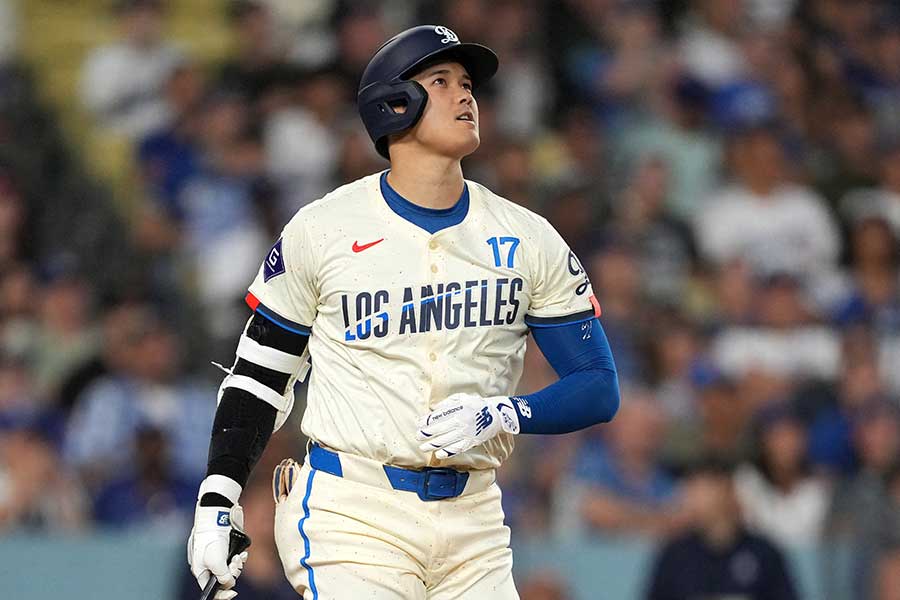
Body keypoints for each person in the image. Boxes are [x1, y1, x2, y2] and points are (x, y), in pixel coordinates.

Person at [186, 24, 620, 599]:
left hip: (476, 521)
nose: (465, 94)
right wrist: (218, 497)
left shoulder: (527, 236)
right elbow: (260, 376)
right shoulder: (324, 228)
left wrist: (506, 413)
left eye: (467, 83)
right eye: (441, 81)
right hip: (354, 512)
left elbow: (598, 385)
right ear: (394, 104)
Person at [645, 458, 799, 600]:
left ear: (726, 490)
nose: (692, 496)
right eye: (691, 487)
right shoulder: (674, 556)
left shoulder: (765, 554)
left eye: (702, 486)